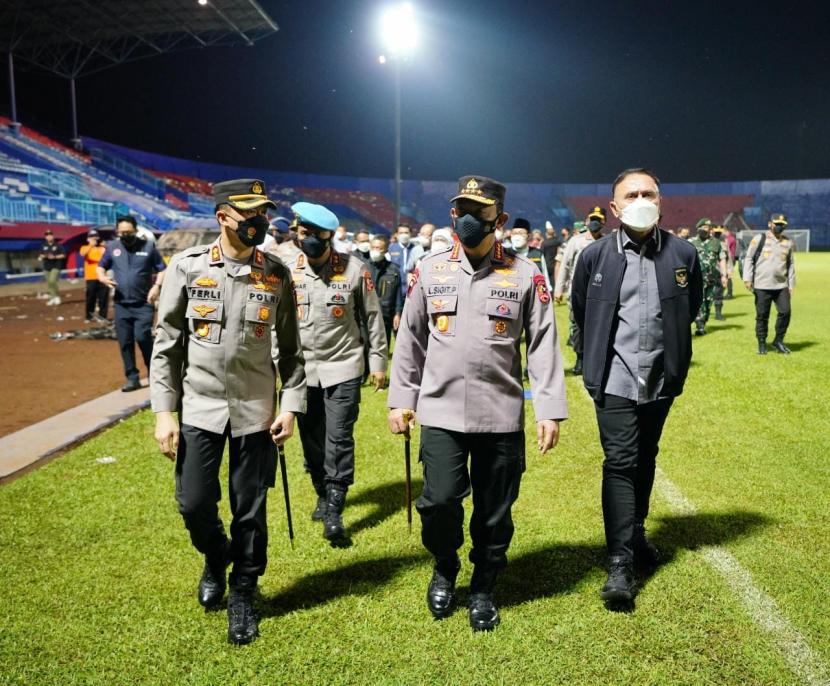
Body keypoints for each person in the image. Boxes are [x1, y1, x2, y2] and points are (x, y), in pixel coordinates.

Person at [388, 175, 568, 631]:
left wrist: (548, 408)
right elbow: (409, 339)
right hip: (441, 412)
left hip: (500, 415)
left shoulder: (526, 274)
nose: (467, 219)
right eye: (461, 210)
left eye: (479, 212)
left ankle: (484, 583)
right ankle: (445, 565)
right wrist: (400, 399)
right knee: (439, 501)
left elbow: (543, 344)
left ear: (499, 219)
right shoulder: (429, 270)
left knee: (494, 511)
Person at [151, 178, 306, 646]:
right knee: (194, 502)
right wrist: (164, 411)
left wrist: (291, 406)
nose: (260, 222)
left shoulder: (276, 274)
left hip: (255, 411)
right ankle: (217, 557)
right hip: (200, 406)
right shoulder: (187, 268)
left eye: (263, 213)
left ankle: (243, 590)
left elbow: (294, 353)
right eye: (250, 214)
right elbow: (167, 345)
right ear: (224, 217)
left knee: (250, 510)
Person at [571, 168, 701, 606]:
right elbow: (581, 311)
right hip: (614, 380)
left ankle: (638, 534)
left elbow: (691, 307)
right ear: (615, 207)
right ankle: (620, 563)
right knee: (621, 461)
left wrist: (676, 364)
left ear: (661, 201)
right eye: (632, 194)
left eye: (648, 193)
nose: (641, 199)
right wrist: (591, 365)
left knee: (647, 456)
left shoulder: (684, 253)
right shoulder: (594, 257)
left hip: (661, 380)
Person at [286, 202, 388, 542]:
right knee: (311, 439)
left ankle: (334, 505)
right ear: (297, 233)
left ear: (329, 236)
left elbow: (373, 318)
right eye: (304, 233)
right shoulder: (286, 268)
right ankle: (320, 488)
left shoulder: (355, 269)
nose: (309, 239)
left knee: (339, 438)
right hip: (301, 370)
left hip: (343, 365)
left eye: (317, 234)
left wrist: (378, 361)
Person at [97, 215, 166, 392]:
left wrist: (156, 287)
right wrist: (103, 278)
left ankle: (154, 375)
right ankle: (132, 378)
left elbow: (162, 269)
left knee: (143, 337)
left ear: (135, 230)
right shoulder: (112, 247)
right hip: (121, 305)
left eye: (128, 232)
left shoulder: (148, 247)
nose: (125, 235)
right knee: (125, 342)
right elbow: (101, 266)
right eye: (122, 232)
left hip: (143, 304)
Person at [554, 209, 606, 375]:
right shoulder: (576, 241)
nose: (595, 222)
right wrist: (559, 289)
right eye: (592, 219)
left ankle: (595, 360)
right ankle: (580, 358)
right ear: (586, 221)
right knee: (578, 327)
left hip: (600, 293)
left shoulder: (607, 242)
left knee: (598, 327)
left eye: (598, 220)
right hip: (578, 292)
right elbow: (565, 266)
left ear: (603, 222)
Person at [743, 213, 796, 354]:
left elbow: (790, 265)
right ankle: (761, 343)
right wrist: (747, 278)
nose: (779, 226)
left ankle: (778, 340)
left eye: (782, 224)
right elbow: (749, 258)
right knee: (762, 315)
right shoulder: (759, 239)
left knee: (785, 312)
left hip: (781, 286)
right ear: (770, 224)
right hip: (761, 285)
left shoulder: (788, 242)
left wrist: (791, 285)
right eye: (776, 223)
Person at [688, 218, 727, 336]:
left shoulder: (717, 243)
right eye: (704, 228)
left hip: (711, 278)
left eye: (708, 228)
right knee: (698, 300)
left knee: (708, 302)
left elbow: (722, 260)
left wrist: (724, 275)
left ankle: (703, 321)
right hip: (695, 278)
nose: (706, 230)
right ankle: (699, 325)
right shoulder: (691, 242)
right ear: (698, 228)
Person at [368, 234, 404, 344]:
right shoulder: (363, 267)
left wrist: (397, 313)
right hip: (366, 314)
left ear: (386, 250)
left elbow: (398, 294)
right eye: (373, 247)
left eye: (378, 248)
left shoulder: (393, 270)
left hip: (385, 315)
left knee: (383, 346)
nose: (375, 250)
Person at [507, 218, 549, 287]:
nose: (517, 236)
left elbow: (545, 279)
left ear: (528, 236)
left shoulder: (537, 254)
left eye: (521, 233)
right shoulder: (504, 253)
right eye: (514, 233)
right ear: (511, 235)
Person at [79, 229, 109, 322]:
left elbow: (107, 258)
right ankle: (89, 316)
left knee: (103, 298)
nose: (94, 238)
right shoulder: (84, 247)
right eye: (91, 237)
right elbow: (83, 253)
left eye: (95, 236)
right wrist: (91, 245)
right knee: (90, 298)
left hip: (103, 277)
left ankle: (102, 316)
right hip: (91, 277)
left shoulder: (102, 248)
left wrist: (105, 246)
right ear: (88, 239)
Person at [38, 229, 66, 306]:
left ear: (53, 236)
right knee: (49, 283)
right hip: (46, 266)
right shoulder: (43, 246)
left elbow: (63, 255)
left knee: (52, 280)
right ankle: (52, 298)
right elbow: (40, 254)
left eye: (50, 235)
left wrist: (55, 256)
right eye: (47, 235)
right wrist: (45, 256)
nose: (49, 236)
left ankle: (57, 296)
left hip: (56, 266)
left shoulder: (58, 245)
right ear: (45, 237)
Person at [711, 224, 731, 319]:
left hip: (720, 271)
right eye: (716, 231)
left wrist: (728, 270)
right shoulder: (708, 241)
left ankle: (718, 313)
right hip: (708, 271)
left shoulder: (723, 241)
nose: (718, 233)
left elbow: (728, 257)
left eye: (719, 231)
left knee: (719, 293)